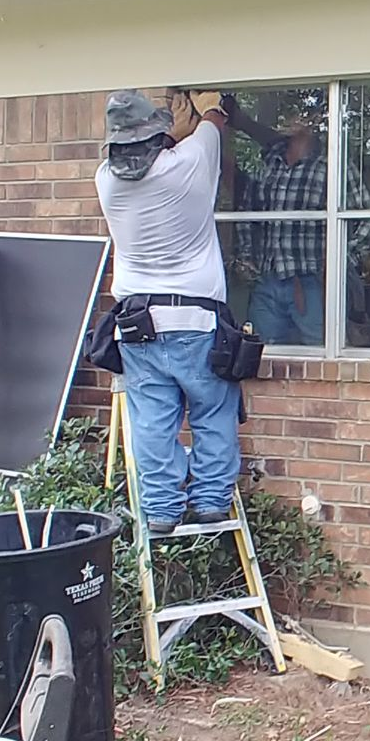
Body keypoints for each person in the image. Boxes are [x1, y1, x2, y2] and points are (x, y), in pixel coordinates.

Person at [94, 89, 239, 534]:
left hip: (136, 325)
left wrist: (169, 134)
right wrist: (209, 104)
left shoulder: (106, 181)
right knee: (213, 411)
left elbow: (153, 160)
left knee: (153, 421)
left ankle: (161, 509)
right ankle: (211, 500)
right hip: (197, 320)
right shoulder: (190, 163)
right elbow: (213, 123)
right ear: (158, 140)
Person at [228, 96, 370, 346]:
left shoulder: (331, 167)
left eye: (299, 113)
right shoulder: (269, 164)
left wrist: (341, 259)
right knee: (259, 355)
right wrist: (246, 256)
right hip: (267, 279)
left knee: (322, 354)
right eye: (288, 113)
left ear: (315, 122)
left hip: (313, 281)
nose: (291, 119)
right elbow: (247, 211)